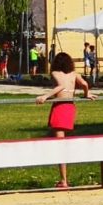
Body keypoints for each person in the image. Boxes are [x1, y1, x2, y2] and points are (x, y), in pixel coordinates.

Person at [35, 52, 97, 188]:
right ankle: (64, 177)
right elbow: (85, 84)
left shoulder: (55, 74)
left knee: (60, 145)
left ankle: (63, 180)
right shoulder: (74, 74)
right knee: (62, 142)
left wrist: (45, 96)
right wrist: (87, 94)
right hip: (70, 107)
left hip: (60, 107)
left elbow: (60, 87)